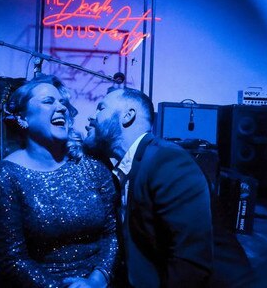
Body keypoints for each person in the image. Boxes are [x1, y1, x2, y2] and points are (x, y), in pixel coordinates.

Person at [0, 74, 119, 288]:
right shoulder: (5, 176)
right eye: (48, 101)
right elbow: (12, 259)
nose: (62, 108)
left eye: (63, 102)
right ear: (23, 117)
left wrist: (98, 279)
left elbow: (112, 234)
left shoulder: (93, 165)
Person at [84, 87, 213, 287]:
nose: (92, 117)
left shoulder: (167, 161)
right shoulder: (122, 165)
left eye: (101, 108)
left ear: (127, 116)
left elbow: (189, 262)